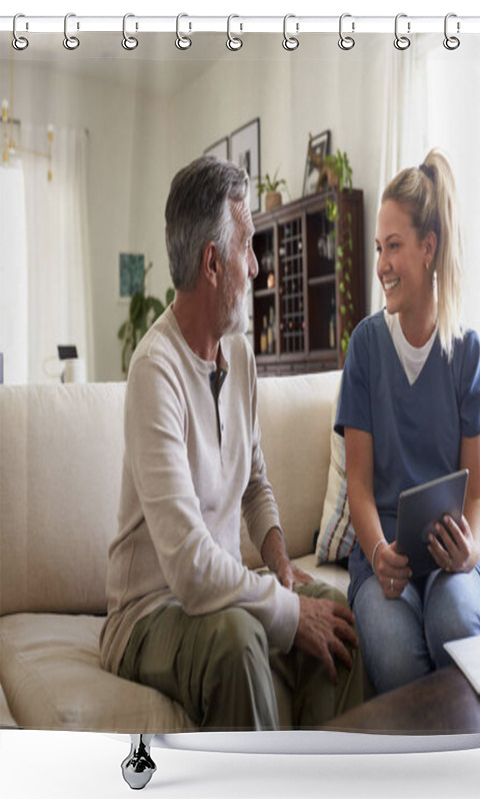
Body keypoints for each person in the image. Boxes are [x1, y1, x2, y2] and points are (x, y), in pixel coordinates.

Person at [99, 156, 365, 731]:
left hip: (215, 598)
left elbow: (255, 484)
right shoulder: (155, 373)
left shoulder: (239, 355)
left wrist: (281, 569)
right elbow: (193, 571)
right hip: (150, 612)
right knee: (240, 639)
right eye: (247, 246)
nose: (258, 266)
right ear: (213, 264)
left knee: (338, 612)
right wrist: (288, 613)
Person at [335, 149, 480, 695]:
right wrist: (379, 552)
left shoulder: (467, 352)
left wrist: (471, 552)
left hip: (451, 558)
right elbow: (358, 485)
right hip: (384, 557)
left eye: (395, 247)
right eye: (379, 248)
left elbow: (476, 498)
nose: (381, 263)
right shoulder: (365, 346)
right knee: (395, 656)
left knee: (455, 625)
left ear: (428, 249)